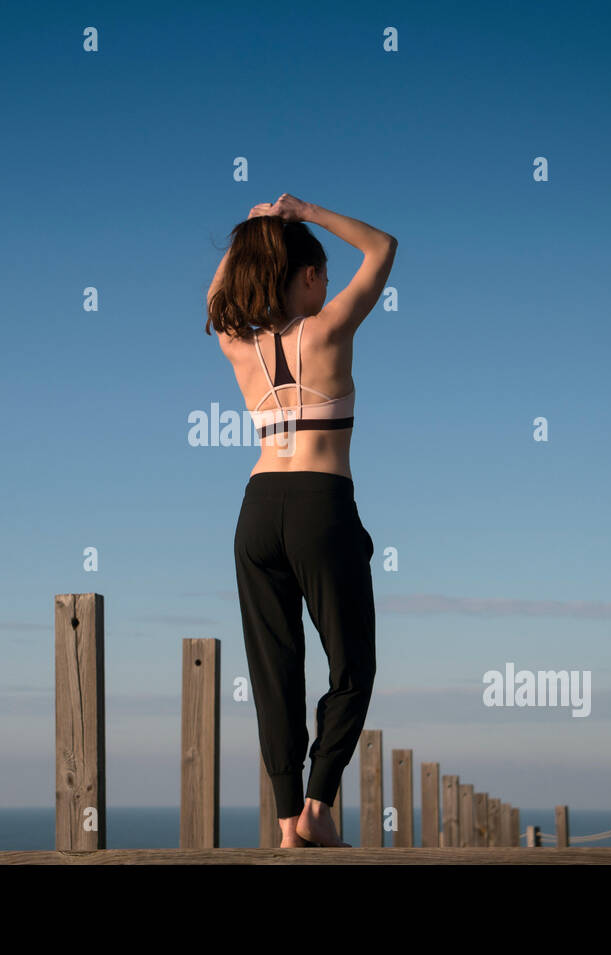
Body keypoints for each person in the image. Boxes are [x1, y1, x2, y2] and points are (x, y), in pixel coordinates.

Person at [205, 194, 397, 846]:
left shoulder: (241, 346)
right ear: (310, 275)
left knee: (274, 668)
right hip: (320, 504)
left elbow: (216, 300)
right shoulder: (330, 327)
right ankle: (317, 805)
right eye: (319, 276)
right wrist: (304, 211)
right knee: (352, 667)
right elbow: (382, 247)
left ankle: (288, 821)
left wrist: (255, 231)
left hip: (258, 509)